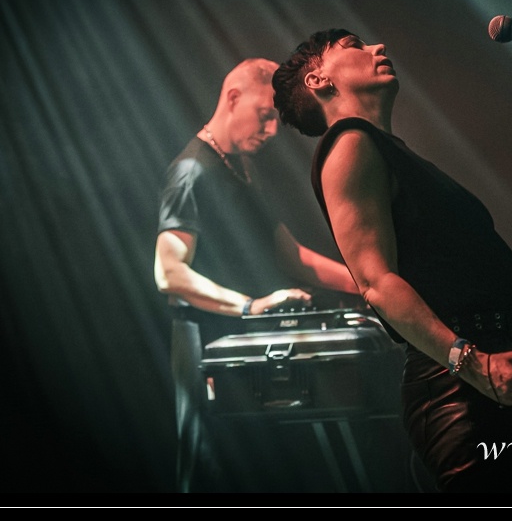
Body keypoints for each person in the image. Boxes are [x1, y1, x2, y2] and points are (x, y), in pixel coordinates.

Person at [271, 29, 512, 493]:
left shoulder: (390, 152)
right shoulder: (349, 142)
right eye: (354, 47)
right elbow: (376, 282)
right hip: (462, 391)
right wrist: (472, 363)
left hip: (497, 377)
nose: (377, 47)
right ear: (318, 80)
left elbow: (484, 292)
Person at [154, 57, 360, 493]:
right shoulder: (191, 171)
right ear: (233, 97)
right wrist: (250, 306)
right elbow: (169, 273)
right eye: (264, 115)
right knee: (213, 468)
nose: (271, 131)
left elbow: (292, 257)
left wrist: (367, 284)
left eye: (275, 121)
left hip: (241, 342)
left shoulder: (242, 167)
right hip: (203, 341)